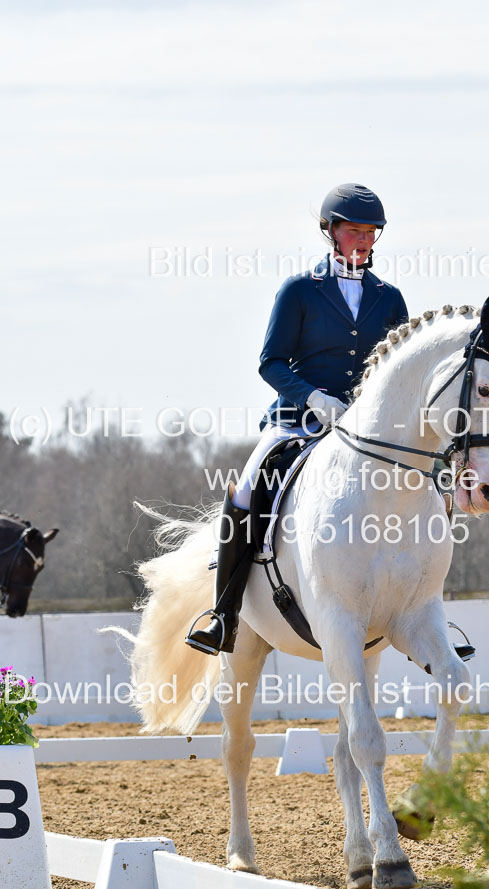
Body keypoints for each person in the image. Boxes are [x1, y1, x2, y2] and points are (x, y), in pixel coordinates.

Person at [186, 183, 409, 656]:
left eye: (372, 232)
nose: (364, 240)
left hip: (364, 430)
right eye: (355, 230)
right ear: (331, 231)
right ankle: (223, 615)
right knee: (246, 489)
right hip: (298, 422)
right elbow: (271, 362)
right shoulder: (300, 291)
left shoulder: (389, 299)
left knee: (423, 485)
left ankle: (426, 611)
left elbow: (400, 368)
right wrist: (313, 398)